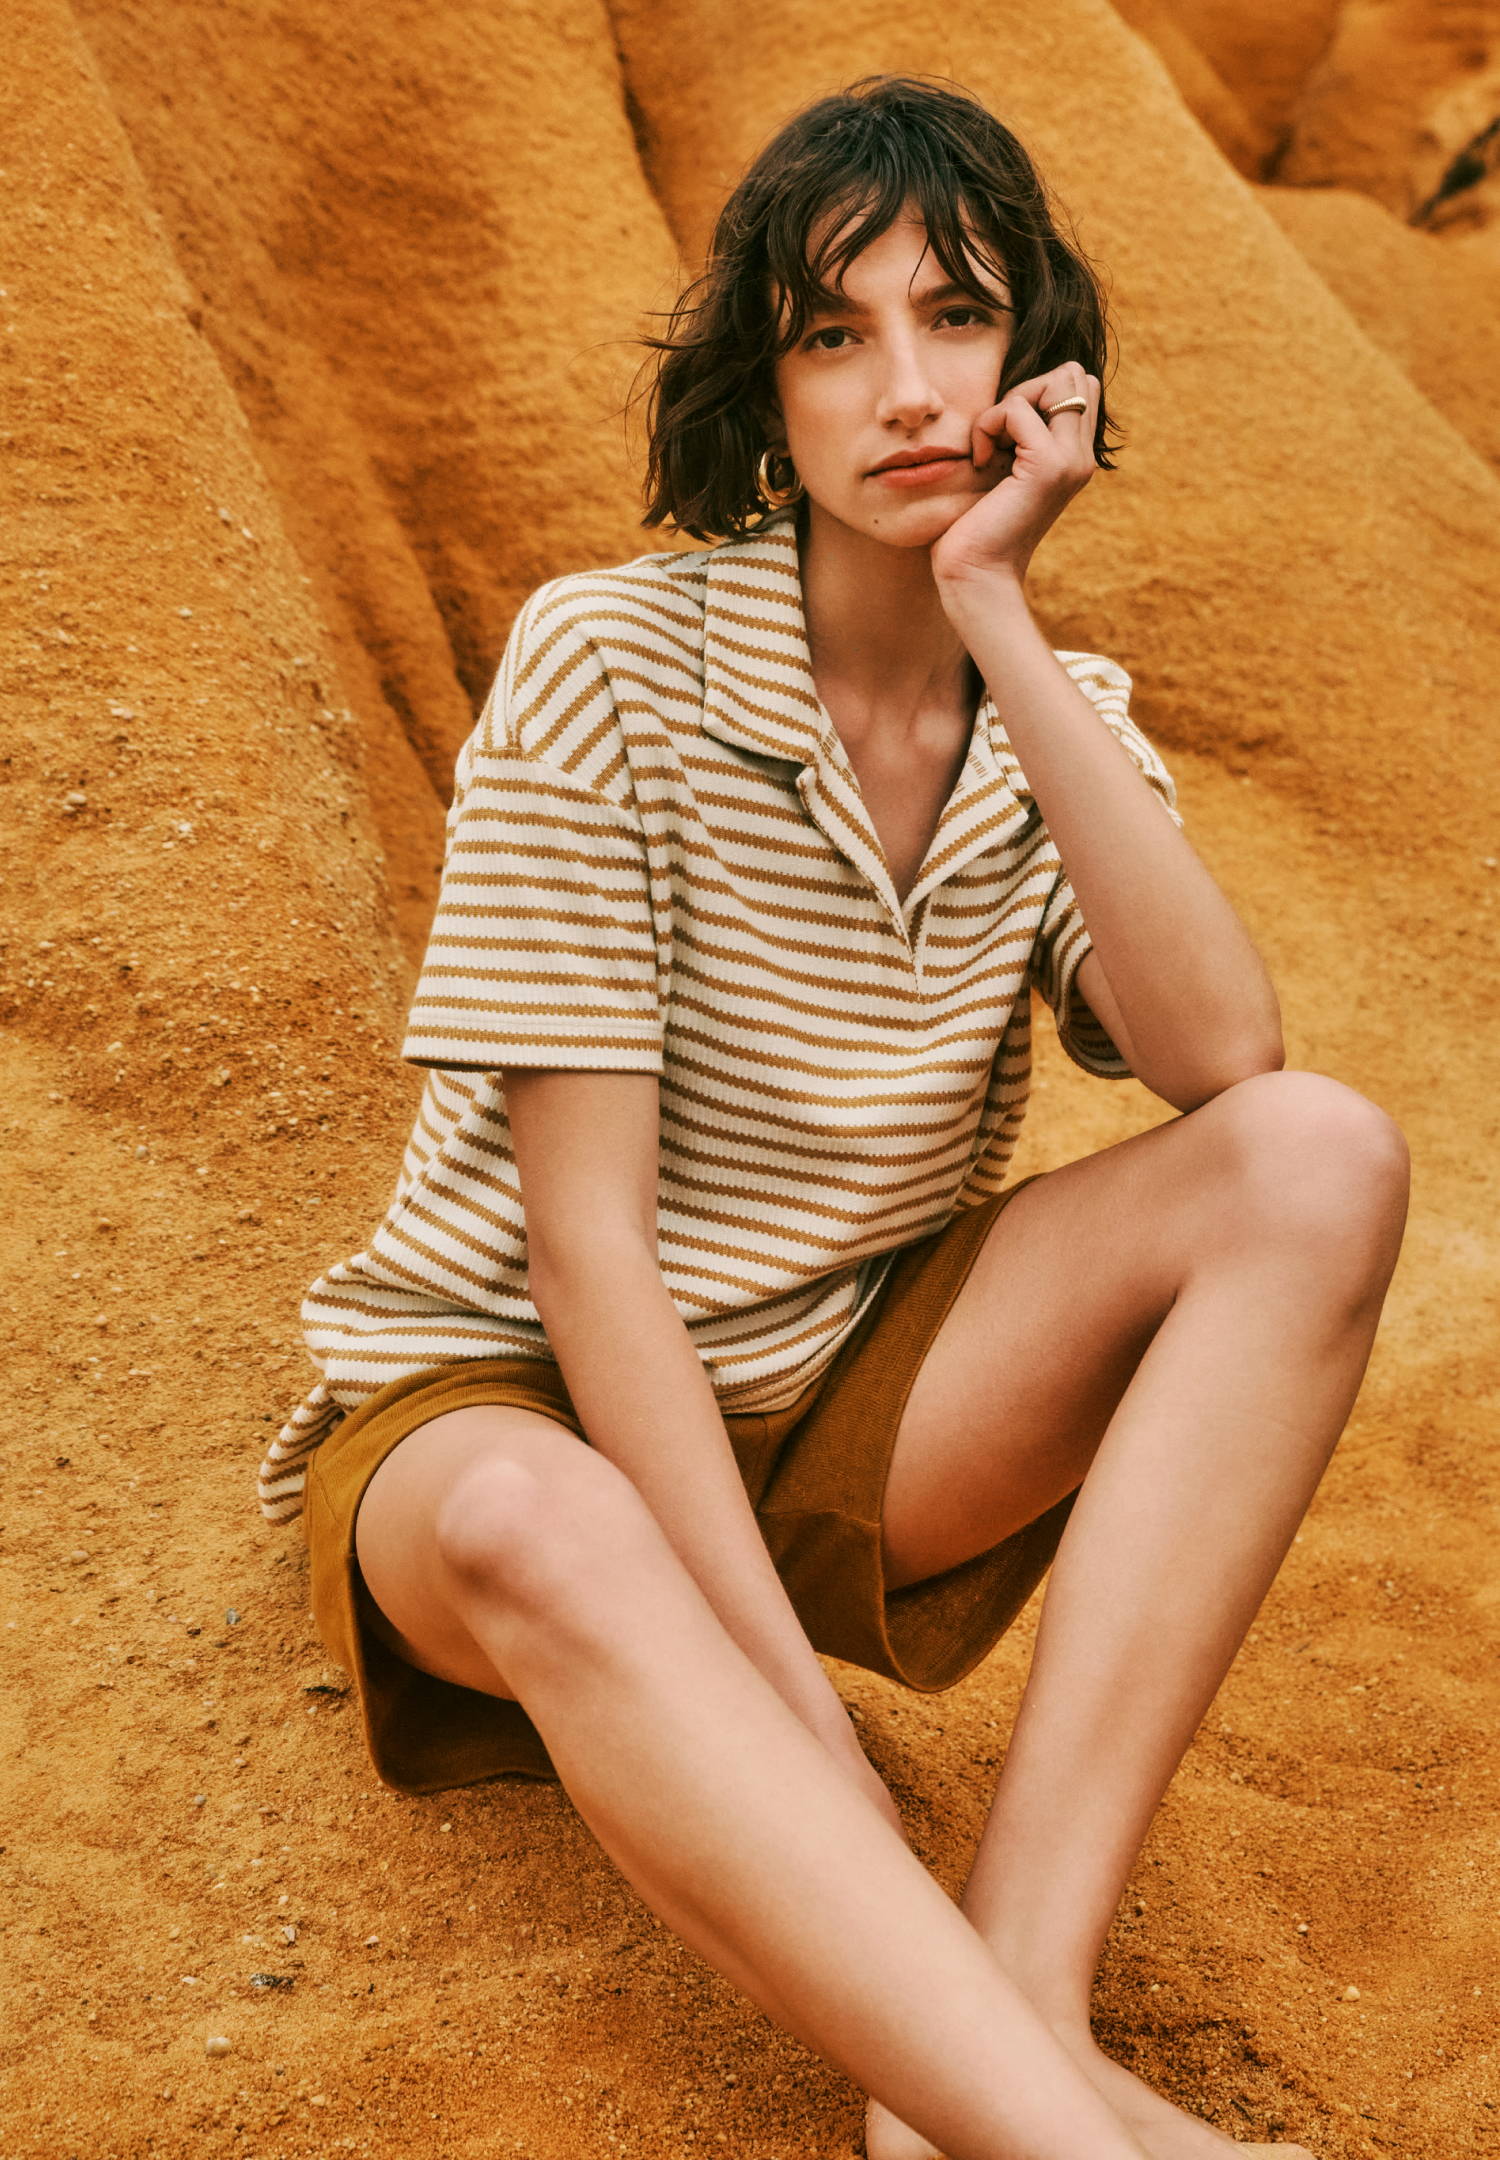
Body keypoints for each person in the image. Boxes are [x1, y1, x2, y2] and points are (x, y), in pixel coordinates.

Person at [261, 75, 1408, 2160]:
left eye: (954, 316)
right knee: (542, 1510)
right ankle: (1036, 2132)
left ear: (1033, 367)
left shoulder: (1057, 724)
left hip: (842, 1397)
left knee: (1320, 1154)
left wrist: (996, 609)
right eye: (830, 332)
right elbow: (590, 1249)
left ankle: (1015, 2001)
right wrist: (787, 1700)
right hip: (513, 1418)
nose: (902, 385)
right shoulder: (608, 662)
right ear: (761, 397)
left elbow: (1228, 1061)